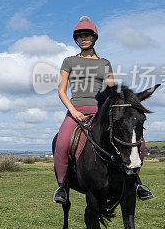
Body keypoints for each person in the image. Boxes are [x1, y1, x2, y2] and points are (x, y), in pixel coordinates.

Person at [52, 16, 153, 204]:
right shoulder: (69, 61)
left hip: (100, 111)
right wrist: (73, 111)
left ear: (94, 38)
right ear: (76, 39)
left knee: (139, 142)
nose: (84, 39)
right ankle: (62, 186)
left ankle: (136, 181)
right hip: (77, 110)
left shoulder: (104, 63)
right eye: (80, 36)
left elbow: (111, 91)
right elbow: (61, 90)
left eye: (87, 35)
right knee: (62, 143)